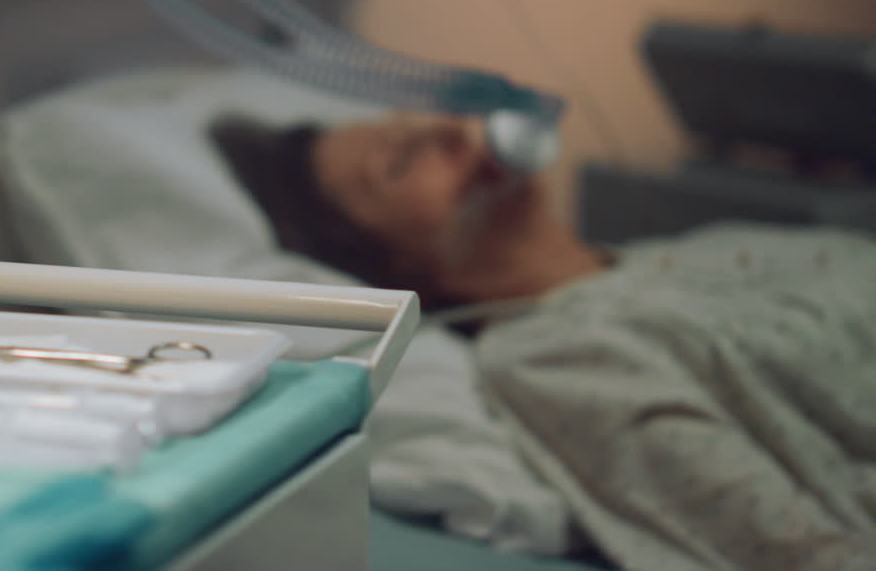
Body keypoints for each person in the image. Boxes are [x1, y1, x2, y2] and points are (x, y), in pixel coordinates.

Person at [210, 112, 876, 571]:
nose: (453, 129)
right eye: (401, 161)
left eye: (424, 120)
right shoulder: (557, 356)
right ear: (395, 269)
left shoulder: (704, 248)